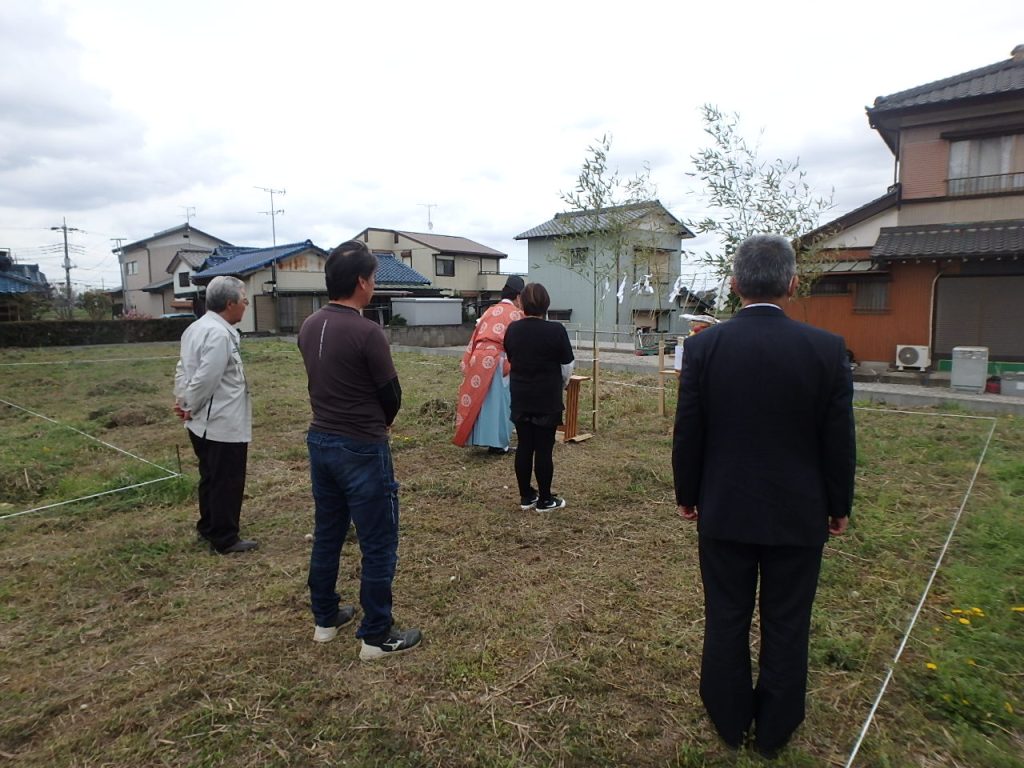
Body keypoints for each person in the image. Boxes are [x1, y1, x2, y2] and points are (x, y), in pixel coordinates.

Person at [672, 234, 856, 758]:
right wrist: (838, 504)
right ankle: (776, 725)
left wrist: (688, 492)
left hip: (725, 507)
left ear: (733, 286)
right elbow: (838, 439)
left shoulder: (705, 347)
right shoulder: (826, 349)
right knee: (788, 618)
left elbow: (690, 431)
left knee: (725, 613)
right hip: (799, 511)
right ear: (793, 284)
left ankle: (729, 718)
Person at [297, 240, 422, 660]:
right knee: (378, 541)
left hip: (321, 441)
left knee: (329, 532)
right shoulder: (367, 331)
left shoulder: (309, 325)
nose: (374, 284)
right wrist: (384, 421)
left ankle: (325, 618)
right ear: (361, 282)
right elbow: (391, 393)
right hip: (362, 447)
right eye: (372, 277)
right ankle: (376, 635)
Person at [173, 275, 257, 554]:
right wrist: (188, 405)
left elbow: (183, 370)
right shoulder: (219, 334)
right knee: (227, 480)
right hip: (219, 421)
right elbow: (205, 379)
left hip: (202, 422)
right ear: (230, 303)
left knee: (210, 477)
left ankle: (208, 526)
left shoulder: (196, 328)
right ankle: (225, 537)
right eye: (244, 300)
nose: (246, 305)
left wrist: (183, 401)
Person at [504, 282, 575, 511]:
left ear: (522, 303)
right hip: (547, 397)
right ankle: (545, 499)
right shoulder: (556, 330)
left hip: (521, 395)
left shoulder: (512, 329)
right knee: (544, 449)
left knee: (525, 445)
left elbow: (512, 358)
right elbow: (567, 366)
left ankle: (526, 496)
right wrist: (560, 385)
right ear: (546, 304)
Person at [452, 275, 525, 453]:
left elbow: (476, 335)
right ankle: (498, 444)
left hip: (478, 356)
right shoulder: (516, 314)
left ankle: (479, 438)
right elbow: (518, 341)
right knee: (499, 401)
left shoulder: (489, 311)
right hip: (497, 358)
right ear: (518, 296)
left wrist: (469, 358)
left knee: (481, 400)